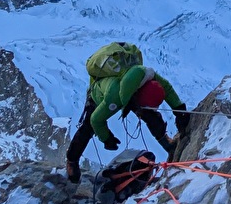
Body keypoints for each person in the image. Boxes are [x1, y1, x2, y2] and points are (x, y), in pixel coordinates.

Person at [64, 41, 191, 185]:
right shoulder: (114, 97)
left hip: (129, 88)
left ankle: (169, 147)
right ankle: (72, 161)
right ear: (137, 97)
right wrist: (106, 138)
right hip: (101, 94)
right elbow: (96, 120)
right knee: (88, 127)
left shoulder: (148, 76)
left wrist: (180, 110)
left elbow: (166, 88)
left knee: (151, 116)